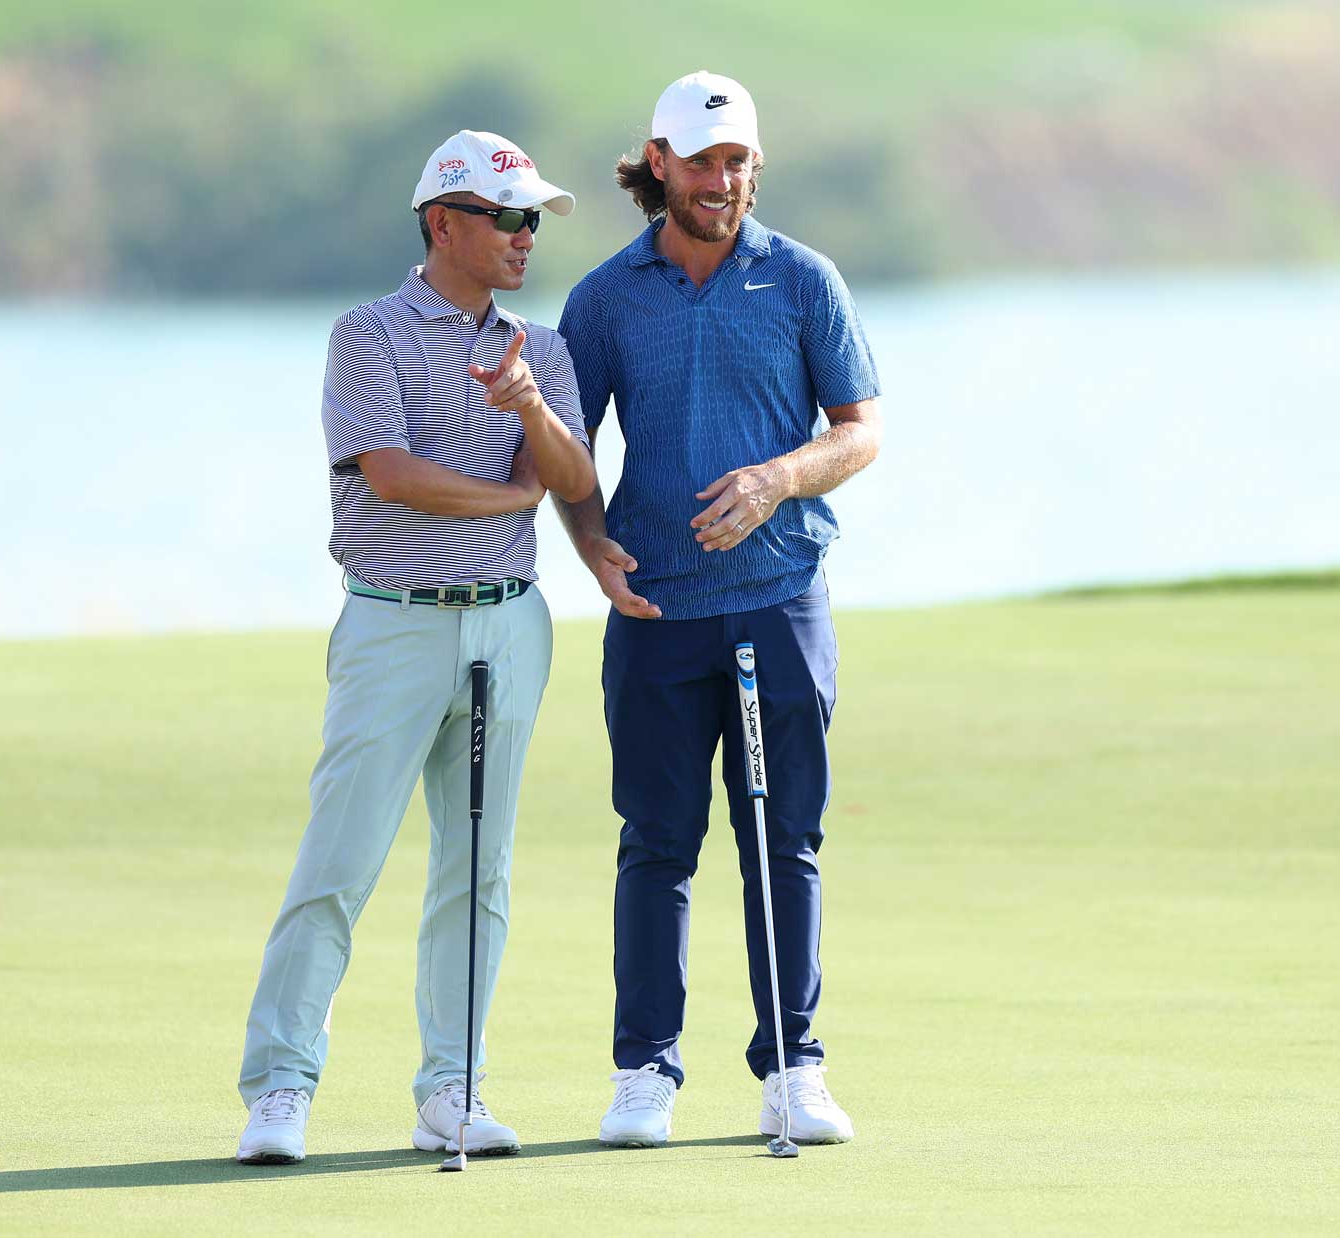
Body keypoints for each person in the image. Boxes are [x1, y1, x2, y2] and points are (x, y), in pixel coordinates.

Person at [235, 130, 595, 1165]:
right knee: (339, 863)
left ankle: (454, 1085)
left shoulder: (544, 349)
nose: (526, 236)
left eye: (532, 218)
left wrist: (528, 409)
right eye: (506, 216)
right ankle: (279, 1084)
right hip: (393, 619)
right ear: (444, 222)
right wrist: (505, 492)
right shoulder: (371, 334)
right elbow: (389, 472)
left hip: (508, 622)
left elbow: (568, 478)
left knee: (477, 869)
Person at [554, 72, 883, 1148]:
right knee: (656, 841)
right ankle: (644, 1068)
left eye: (737, 159)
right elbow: (563, 450)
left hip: (778, 598)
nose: (722, 180)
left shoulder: (799, 280)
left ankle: (793, 1064)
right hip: (654, 611)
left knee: (781, 835)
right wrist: (589, 544)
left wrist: (779, 477)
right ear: (659, 163)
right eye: (701, 161)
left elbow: (858, 429)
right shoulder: (605, 299)